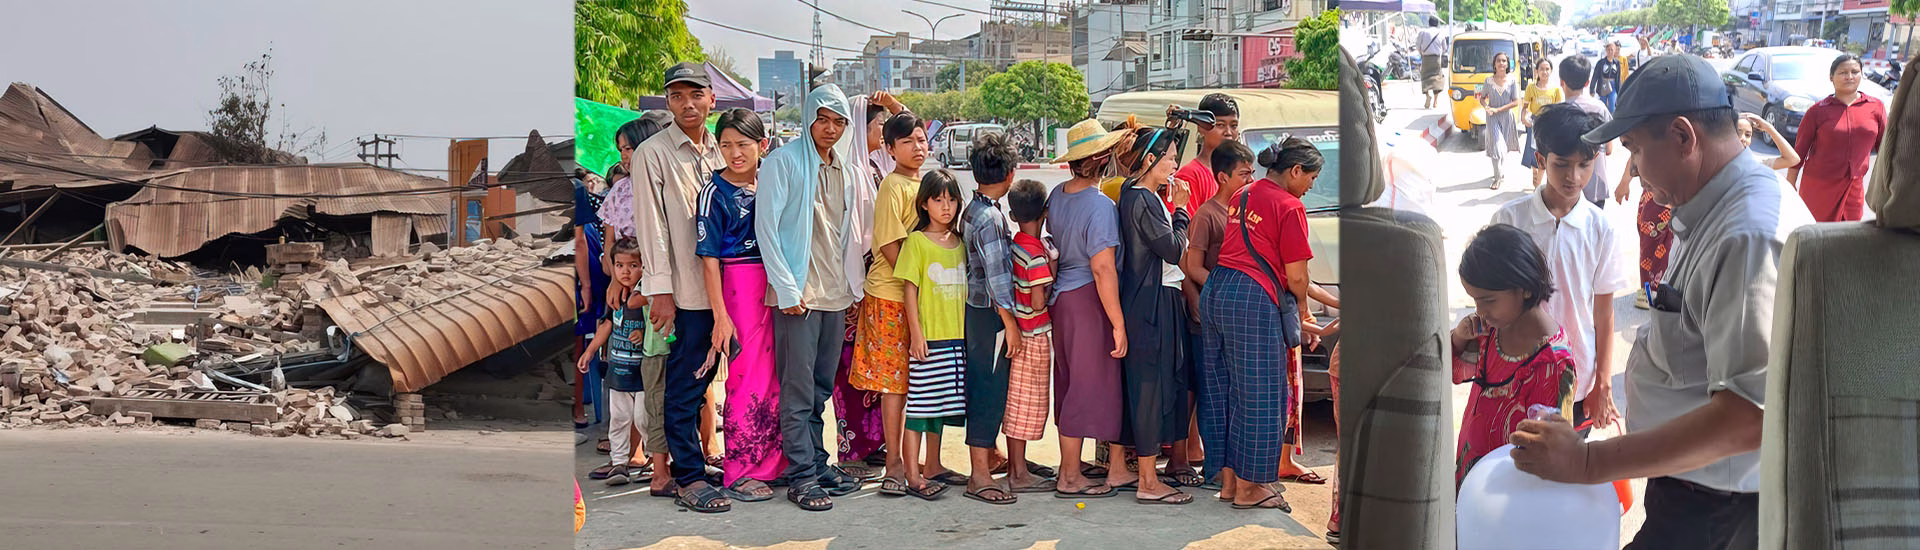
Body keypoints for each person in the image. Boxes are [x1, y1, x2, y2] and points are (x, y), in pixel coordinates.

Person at [1510, 55, 1815, 549]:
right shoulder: (1712, 205)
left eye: (1632, 149)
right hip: (1689, 481)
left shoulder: (1746, 235)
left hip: (1717, 503)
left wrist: (1586, 462)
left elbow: (1748, 416)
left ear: (1682, 137)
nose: (1629, 168)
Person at [757, 84, 879, 512]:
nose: (829, 129)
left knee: (820, 388)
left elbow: (851, 236)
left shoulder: (844, 169)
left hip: (835, 293)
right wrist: (788, 289)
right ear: (809, 118)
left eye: (838, 121)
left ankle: (818, 463)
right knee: (796, 388)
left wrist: (854, 289)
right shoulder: (783, 162)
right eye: (822, 119)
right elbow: (766, 229)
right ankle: (801, 475)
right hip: (799, 295)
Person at [1491, 103, 1633, 436]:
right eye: (1561, 165)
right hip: (1516, 371)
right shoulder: (1509, 220)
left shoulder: (1601, 229)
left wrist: (1602, 381)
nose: (1574, 177)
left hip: (1576, 376)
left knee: (1562, 470)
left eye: (1584, 165)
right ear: (1540, 161)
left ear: (1595, 162)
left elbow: (1603, 314)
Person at [1198, 138, 1321, 510]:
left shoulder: (1244, 195)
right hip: (1253, 298)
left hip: (1218, 290)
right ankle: (1252, 489)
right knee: (1262, 396)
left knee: (1225, 392)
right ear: (1295, 171)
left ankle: (1230, 482)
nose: (1311, 187)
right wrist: (1302, 309)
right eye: (1311, 178)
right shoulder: (1289, 206)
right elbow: (1297, 276)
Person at [628, 62, 728, 513]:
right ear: (668, 103)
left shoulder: (723, 150)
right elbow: (653, 228)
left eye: (695, 95)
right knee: (684, 384)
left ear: (711, 99)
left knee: (707, 378)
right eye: (677, 96)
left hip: (727, 288)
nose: (687, 104)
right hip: (686, 291)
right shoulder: (653, 153)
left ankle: (700, 463)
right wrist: (660, 291)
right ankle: (687, 476)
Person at [858, 112, 951, 498]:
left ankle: (931, 461)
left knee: (927, 382)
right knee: (895, 386)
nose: (918, 147)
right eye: (908, 142)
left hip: (923, 298)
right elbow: (890, 246)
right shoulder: (893, 187)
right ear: (890, 148)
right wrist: (921, 284)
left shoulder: (927, 184)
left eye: (921, 140)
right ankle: (894, 464)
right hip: (892, 295)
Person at [695, 108, 783, 502]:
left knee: (775, 376)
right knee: (746, 378)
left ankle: (774, 462)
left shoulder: (771, 184)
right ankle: (741, 468)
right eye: (726, 145)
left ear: (762, 145)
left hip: (774, 285)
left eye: (743, 144)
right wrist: (720, 316)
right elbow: (709, 260)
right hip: (739, 287)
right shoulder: (714, 193)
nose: (735, 153)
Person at [1045, 118, 1133, 500]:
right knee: (1087, 384)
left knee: (1069, 382)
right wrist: (1118, 322)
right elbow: (1102, 267)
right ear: (1101, 159)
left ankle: (1081, 468)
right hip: (1087, 298)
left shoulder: (1058, 195)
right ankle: (1069, 475)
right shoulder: (1099, 205)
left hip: (1061, 298)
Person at [1452, 224, 1578, 483]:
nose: (1480, 310)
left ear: (1525, 288)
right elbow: (1454, 372)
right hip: (1471, 477)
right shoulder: (1490, 330)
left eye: (1488, 300)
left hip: (1508, 491)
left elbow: (1547, 453)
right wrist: (1458, 338)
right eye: (1474, 300)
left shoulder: (1551, 364)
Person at [1113, 127, 1197, 505]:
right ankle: (1148, 480)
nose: (1175, 166)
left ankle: (1146, 473)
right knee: (1150, 388)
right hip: (1150, 305)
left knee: (1153, 385)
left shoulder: (1135, 195)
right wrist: (1180, 211)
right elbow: (1172, 249)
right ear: (1150, 161)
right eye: (1170, 159)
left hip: (1148, 300)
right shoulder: (1143, 199)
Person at [954, 133, 1037, 504]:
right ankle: (980, 476)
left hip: (977, 311)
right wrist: (1011, 324)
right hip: (991, 315)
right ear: (1010, 175)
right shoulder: (990, 217)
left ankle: (986, 461)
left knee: (983, 386)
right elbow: (997, 278)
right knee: (988, 390)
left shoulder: (973, 209)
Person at [836, 91, 909, 478]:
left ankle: (877, 442)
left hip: (877, 273)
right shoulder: (851, 170)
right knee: (851, 367)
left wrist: (896, 108)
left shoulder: (879, 163)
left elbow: (909, 133)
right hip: (856, 278)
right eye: (877, 126)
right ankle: (852, 450)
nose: (883, 133)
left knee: (879, 369)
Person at [1179, 131, 1257, 489]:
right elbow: (1191, 265)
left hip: (1239, 317)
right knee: (1212, 394)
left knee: (1237, 394)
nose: (1250, 180)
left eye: (1252, 173)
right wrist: (1222, 290)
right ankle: (1214, 469)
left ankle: (1233, 469)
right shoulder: (1206, 215)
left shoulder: (1248, 213)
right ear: (1223, 177)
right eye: (1244, 174)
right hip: (1209, 318)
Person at [895, 169, 969, 502]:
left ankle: (934, 465)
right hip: (930, 340)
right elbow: (909, 292)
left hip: (957, 340)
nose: (946, 207)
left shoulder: (960, 242)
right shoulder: (917, 242)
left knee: (941, 406)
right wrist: (916, 334)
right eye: (938, 200)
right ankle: (912, 474)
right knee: (921, 410)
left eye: (951, 199)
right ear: (924, 204)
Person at [577, 237, 674, 490]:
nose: (625, 271)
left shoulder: (647, 295)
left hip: (642, 374)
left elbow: (660, 329)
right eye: (619, 265)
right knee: (619, 418)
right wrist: (590, 351)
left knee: (644, 418)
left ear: (644, 267)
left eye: (633, 265)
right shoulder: (615, 296)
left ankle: (655, 460)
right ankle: (619, 462)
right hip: (617, 372)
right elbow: (607, 325)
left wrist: (643, 334)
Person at [1003, 178, 1061, 496]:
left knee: (1015, 402)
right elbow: (1039, 301)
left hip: (1016, 330)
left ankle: (1016, 467)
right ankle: (1019, 471)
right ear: (1046, 213)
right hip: (1034, 334)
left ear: (1013, 216)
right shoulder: (1037, 256)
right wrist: (1053, 278)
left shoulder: (1014, 247)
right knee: (1026, 405)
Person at [1788, 54, 1888, 222]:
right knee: (1815, 239)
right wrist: (1790, 186)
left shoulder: (1875, 107)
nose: (1849, 76)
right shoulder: (1817, 111)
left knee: (1848, 239)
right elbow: (1798, 153)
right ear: (1831, 77)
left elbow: (1886, 149)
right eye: (1843, 72)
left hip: (1853, 189)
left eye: (1855, 72)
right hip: (1818, 188)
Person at [1169, 94, 1240, 212]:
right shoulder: (1190, 176)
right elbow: (1187, 226)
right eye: (1220, 125)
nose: (1228, 132)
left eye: (1234, 126)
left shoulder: (1238, 173)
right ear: (1201, 128)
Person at [1477, 52, 1522, 189]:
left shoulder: (1512, 80)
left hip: (1507, 117)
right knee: (1496, 146)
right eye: (1498, 61)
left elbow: (1516, 102)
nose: (1501, 63)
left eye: (1504, 61)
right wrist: (1487, 107)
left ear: (1507, 64)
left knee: (1504, 147)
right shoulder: (1488, 81)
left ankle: (1499, 171)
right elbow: (1482, 98)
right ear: (1494, 64)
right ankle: (1497, 178)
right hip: (1492, 118)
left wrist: (1499, 109)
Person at [1521, 58, 1565, 191]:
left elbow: (1559, 109)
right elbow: (1525, 107)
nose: (1544, 72)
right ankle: (1536, 177)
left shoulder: (1556, 89)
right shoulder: (1531, 88)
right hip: (1534, 125)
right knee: (1534, 153)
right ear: (1537, 71)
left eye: (1547, 69)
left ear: (1551, 71)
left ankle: (1538, 187)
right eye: (1542, 69)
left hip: (1550, 126)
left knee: (1546, 154)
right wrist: (1523, 118)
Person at [1735, 112, 1801, 170]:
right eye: (1737, 132)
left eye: (1747, 135)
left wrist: (1769, 128)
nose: (1743, 139)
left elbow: (1792, 159)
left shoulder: (1754, 163)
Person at [1417, 16, 1450, 109]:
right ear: (1437, 24)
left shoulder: (1423, 32)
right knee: (1437, 78)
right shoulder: (1441, 33)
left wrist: (1422, 53)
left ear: (1429, 23)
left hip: (1426, 59)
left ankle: (1427, 95)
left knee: (1424, 77)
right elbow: (1444, 48)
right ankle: (1435, 101)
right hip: (1436, 59)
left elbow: (1418, 45)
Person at [1592, 42, 1624, 111]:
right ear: (1606, 51)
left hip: (1613, 86)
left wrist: (1620, 91)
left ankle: (1611, 120)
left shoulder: (1617, 63)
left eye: (1612, 50)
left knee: (1612, 106)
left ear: (1615, 51)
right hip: (1603, 85)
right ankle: (1603, 121)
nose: (1610, 52)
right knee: (1603, 106)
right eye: (1608, 50)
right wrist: (1592, 89)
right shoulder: (1601, 63)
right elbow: (1595, 76)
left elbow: (1618, 78)